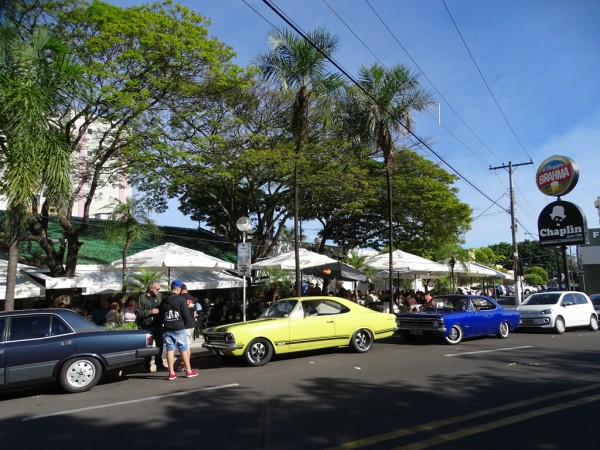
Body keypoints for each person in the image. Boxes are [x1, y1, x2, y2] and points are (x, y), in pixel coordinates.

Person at [158, 280, 198, 381]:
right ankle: (189, 371)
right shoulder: (180, 299)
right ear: (177, 288)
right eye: (179, 289)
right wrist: (188, 325)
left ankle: (171, 373)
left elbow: (161, 315)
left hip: (167, 327)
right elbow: (185, 314)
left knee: (170, 349)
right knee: (183, 348)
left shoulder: (164, 300)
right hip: (178, 326)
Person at [136, 282, 167, 372]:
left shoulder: (160, 296)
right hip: (147, 325)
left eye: (159, 289)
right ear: (151, 288)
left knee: (160, 345)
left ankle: (159, 364)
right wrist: (149, 312)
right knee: (147, 347)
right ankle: (146, 365)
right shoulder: (142, 298)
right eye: (157, 289)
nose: (158, 291)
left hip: (158, 324)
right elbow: (138, 312)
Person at [175, 283, 197, 372]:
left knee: (185, 346)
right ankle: (185, 364)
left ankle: (185, 365)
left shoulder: (180, 298)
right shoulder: (192, 298)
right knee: (188, 346)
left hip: (184, 325)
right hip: (192, 324)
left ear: (180, 289)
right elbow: (195, 313)